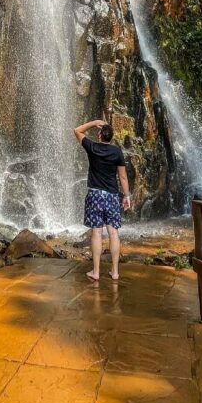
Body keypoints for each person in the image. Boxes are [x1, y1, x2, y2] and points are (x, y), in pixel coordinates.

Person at [73, 118, 131, 281]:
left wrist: (94, 122)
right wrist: (127, 196)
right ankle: (115, 272)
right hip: (112, 196)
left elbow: (77, 130)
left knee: (96, 233)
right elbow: (123, 177)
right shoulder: (117, 152)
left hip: (95, 195)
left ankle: (96, 272)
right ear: (110, 137)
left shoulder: (92, 147)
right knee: (113, 232)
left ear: (99, 135)